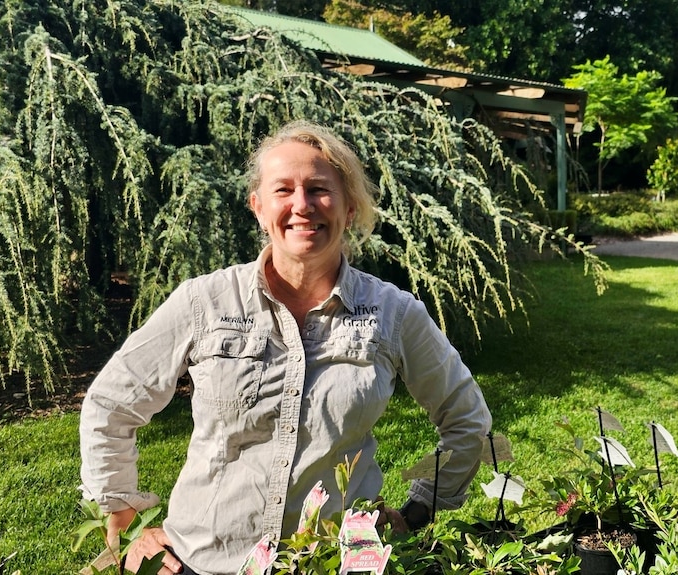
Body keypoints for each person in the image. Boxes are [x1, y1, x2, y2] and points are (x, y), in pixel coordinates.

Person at [79, 120, 492, 575]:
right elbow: (111, 404)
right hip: (202, 563)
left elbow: (467, 421)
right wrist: (128, 521)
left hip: (333, 564)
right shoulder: (205, 302)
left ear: (349, 208)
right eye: (283, 190)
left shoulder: (392, 314)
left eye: (319, 189)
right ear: (258, 207)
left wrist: (418, 511)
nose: (302, 205)